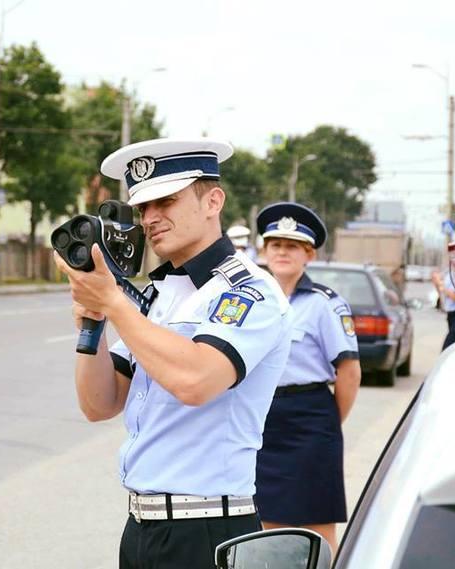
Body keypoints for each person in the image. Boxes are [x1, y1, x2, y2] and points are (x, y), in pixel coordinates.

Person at [54, 138, 293, 569]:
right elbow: (99, 404)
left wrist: (114, 305)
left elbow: (196, 381)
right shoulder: (161, 295)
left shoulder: (247, 290)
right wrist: (93, 324)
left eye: (165, 200)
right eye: (142, 206)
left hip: (207, 530)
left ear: (212, 201)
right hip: (142, 528)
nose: (150, 218)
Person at [253, 202, 362, 548]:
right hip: (259, 419)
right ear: (264, 251)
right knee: (261, 521)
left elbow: (349, 372)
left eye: (292, 246)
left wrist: (328, 423)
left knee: (315, 527)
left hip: (310, 421)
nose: (282, 252)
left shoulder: (325, 304)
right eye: (275, 245)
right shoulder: (252, 300)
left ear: (309, 255)